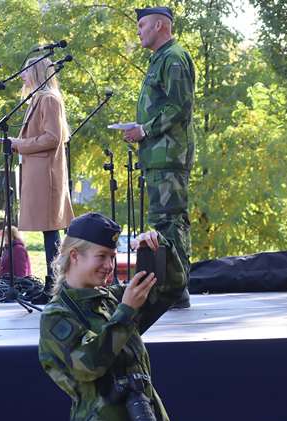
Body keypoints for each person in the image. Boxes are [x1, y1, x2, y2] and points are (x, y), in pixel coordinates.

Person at [39, 212, 192, 421]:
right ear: (75, 256)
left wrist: (160, 249)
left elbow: (170, 288)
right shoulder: (57, 316)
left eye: (112, 256)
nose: (110, 265)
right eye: (101, 256)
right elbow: (87, 365)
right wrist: (127, 311)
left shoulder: (113, 301)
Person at [124, 6, 195, 309]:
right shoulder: (161, 59)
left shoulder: (174, 58)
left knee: (168, 224)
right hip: (159, 154)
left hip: (168, 154)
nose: (138, 31)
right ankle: (173, 288)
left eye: (142, 25)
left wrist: (144, 129)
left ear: (159, 26)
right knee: (166, 221)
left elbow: (180, 106)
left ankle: (176, 291)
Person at [9, 56, 74, 289]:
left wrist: (19, 144)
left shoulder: (48, 100)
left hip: (46, 175)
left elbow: (53, 137)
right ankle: (52, 283)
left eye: (26, 71)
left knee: (50, 230)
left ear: (37, 72)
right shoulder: (37, 100)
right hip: (37, 173)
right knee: (48, 231)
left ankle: (54, 285)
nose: (21, 75)